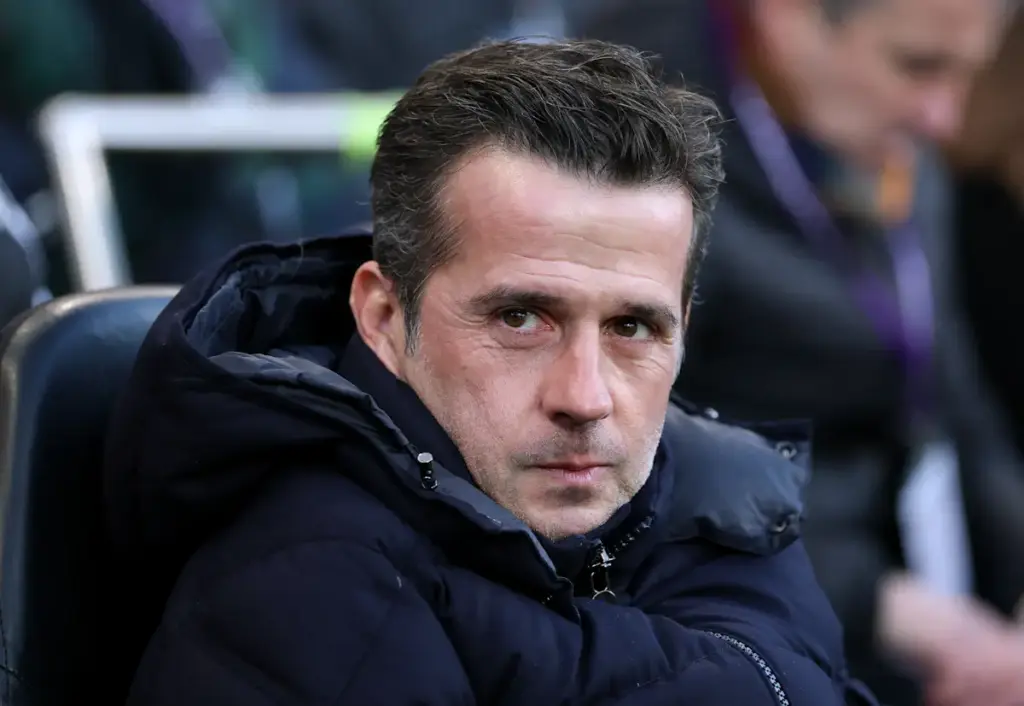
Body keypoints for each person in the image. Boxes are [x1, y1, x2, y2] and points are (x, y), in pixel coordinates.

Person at [102, 39, 876, 706]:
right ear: (381, 317)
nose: (585, 397)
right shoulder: (293, 596)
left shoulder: (714, 502)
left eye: (632, 327)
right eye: (519, 318)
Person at [575, 1, 1015, 704]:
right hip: (734, 629)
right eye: (918, 66)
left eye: (969, 73)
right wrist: (878, 603)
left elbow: (951, 387)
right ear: (786, 18)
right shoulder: (620, 163)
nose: (946, 119)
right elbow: (617, 475)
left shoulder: (884, 130)